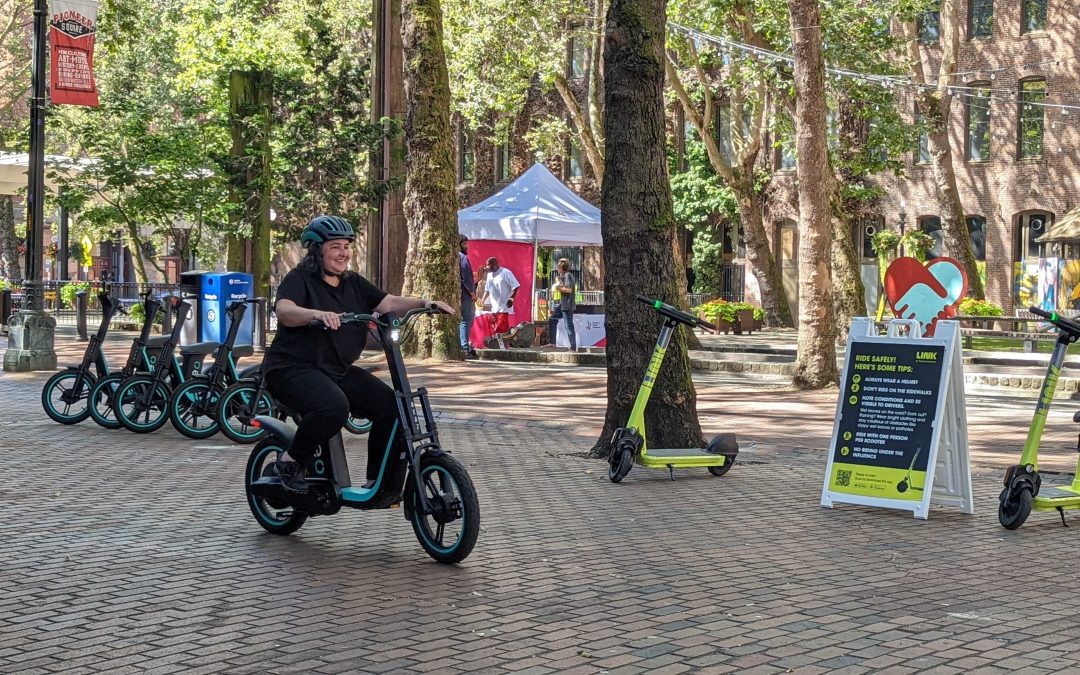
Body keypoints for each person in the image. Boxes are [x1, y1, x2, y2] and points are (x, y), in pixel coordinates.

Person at [262, 215, 454, 493]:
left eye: (347, 246)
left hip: (336, 368)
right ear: (318, 250)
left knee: (393, 407)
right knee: (334, 407)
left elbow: (388, 302)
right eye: (335, 247)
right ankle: (291, 462)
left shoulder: (353, 282)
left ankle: (379, 483)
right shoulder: (300, 278)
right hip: (292, 369)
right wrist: (316, 313)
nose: (344, 253)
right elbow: (285, 310)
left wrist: (425, 302)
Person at [481, 256, 519, 335]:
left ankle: (498, 344)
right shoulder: (489, 275)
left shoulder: (506, 273)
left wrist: (511, 299)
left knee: (499, 327)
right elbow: (487, 289)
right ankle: (504, 344)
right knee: (501, 327)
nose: (486, 267)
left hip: (504, 306)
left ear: (494, 265)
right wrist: (482, 300)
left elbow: (516, 286)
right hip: (494, 306)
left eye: (488, 265)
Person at [548, 258, 578, 351]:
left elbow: (568, 290)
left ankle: (573, 346)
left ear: (561, 268)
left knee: (568, 325)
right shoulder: (563, 276)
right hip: (563, 304)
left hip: (567, 305)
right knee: (552, 319)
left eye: (558, 267)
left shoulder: (568, 276)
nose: (557, 269)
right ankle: (552, 342)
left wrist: (558, 287)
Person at [458, 235, 479, 359]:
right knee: (466, 320)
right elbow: (466, 278)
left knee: (463, 321)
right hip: (466, 295)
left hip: (460, 294)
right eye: (465, 244)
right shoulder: (463, 258)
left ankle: (464, 346)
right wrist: (472, 293)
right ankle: (464, 347)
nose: (467, 246)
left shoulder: (456, 257)